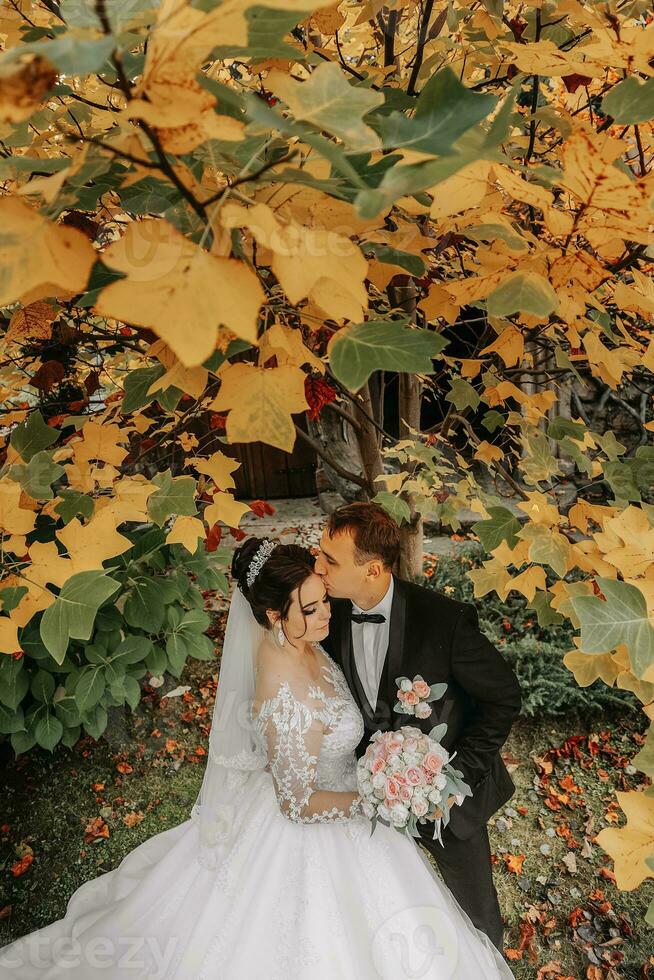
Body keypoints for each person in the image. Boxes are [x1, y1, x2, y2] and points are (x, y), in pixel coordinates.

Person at [0, 536, 515, 979]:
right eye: (310, 609)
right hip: (315, 822)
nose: (325, 616)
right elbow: (295, 804)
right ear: (274, 617)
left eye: (323, 601)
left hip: (352, 802)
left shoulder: (309, 640)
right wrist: (375, 798)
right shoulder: (279, 686)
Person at [315, 502, 523, 954]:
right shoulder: (325, 616)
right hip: (368, 799)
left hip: (445, 799)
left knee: (478, 917)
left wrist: (458, 778)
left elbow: (503, 696)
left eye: (330, 559)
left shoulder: (443, 621)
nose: (319, 566)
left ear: (372, 569)